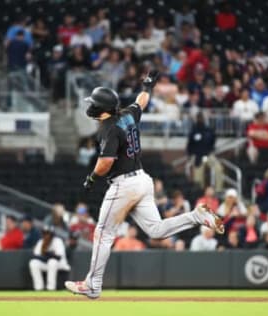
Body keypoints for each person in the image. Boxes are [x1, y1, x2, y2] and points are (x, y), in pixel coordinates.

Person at [65, 71, 224, 299]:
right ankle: (197, 217)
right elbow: (142, 101)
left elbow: (105, 163)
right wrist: (148, 86)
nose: (91, 106)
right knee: (156, 230)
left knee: (103, 233)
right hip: (142, 180)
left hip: (124, 185)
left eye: (94, 103)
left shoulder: (108, 128)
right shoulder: (128, 115)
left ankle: (93, 284)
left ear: (102, 108)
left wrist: (91, 178)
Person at [187, 113, 223, 191]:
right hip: (197, 156)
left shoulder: (208, 130)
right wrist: (191, 155)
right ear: (196, 119)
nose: (200, 120)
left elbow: (213, 140)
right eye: (199, 118)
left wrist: (211, 149)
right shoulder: (193, 131)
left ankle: (218, 190)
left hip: (208, 154)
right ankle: (199, 192)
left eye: (201, 118)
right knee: (198, 175)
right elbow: (190, 145)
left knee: (219, 168)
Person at [29, 226, 70, 291]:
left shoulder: (57, 241)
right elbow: (35, 256)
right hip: (46, 263)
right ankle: (38, 287)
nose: (46, 235)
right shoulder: (41, 242)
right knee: (33, 263)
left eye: (48, 233)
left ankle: (51, 288)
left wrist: (47, 254)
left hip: (60, 264)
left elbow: (58, 257)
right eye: (44, 233)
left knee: (52, 261)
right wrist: (46, 256)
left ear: (52, 234)